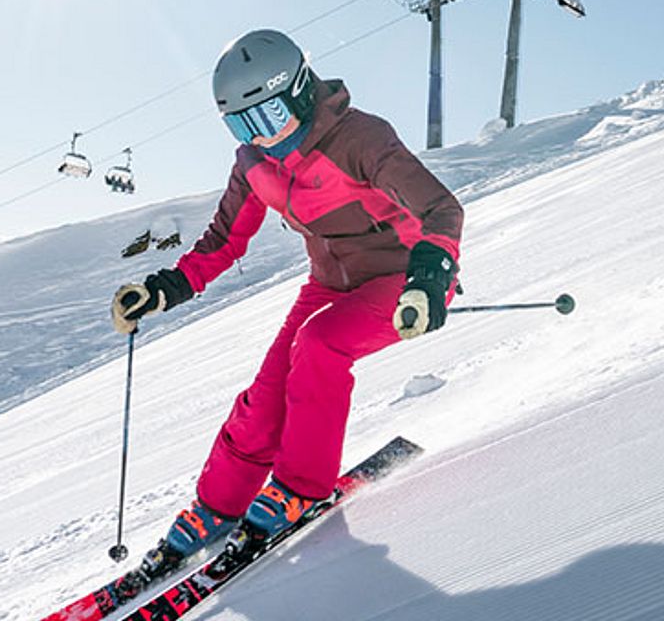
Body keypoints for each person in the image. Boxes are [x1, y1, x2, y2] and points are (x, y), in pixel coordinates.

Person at [110, 28, 462, 562]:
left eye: (269, 119)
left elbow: (441, 210)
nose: (263, 137)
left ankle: (300, 488)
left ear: (300, 91)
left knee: (320, 345)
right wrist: (163, 290)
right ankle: (217, 506)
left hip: (405, 278)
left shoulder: (361, 140)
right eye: (243, 125)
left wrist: (430, 279)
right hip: (329, 283)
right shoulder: (254, 164)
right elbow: (224, 239)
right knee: (266, 394)